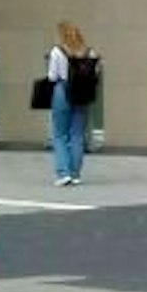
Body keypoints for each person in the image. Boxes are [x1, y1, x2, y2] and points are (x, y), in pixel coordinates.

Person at [46, 21, 98, 187]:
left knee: (60, 135)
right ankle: (75, 174)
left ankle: (63, 173)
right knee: (77, 134)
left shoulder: (57, 51)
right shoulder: (89, 52)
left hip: (63, 91)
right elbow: (95, 74)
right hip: (82, 94)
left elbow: (52, 77)